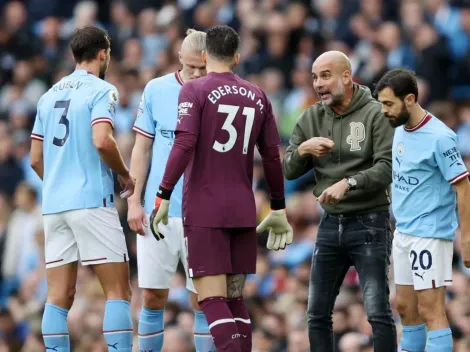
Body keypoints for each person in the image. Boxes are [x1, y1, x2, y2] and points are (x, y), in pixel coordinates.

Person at [148, 24, 293, 352]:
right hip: (243, 207)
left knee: (210, 298)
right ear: (237, 57)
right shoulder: (259, 95)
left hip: (204, 207)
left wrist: (163, 194)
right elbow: (271, 156)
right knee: (235, 300)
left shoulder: (194, 90)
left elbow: (184, 143)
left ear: (204, 55)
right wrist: (278, 206)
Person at [29, 25, 135, 352]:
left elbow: (35, 159)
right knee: (118, 291)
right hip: (92, 200)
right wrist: (125, 174)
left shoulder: (48, 96)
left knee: (59, 297)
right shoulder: (102, 90)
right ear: (103, 53)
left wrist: (61, 183)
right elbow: (102, 140)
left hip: (54, 205)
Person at [283, 51, 397, 352]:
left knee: (376, 311)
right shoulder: (311, 116)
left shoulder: (375, 113)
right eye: (314, 77)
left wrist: (349, 183)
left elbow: (387, 167)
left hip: (370, 220)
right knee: (316, 313)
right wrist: (304, 150)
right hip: (330, 223)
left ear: (346, 77)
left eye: (325, 75)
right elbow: (289, 169)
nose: (318, 83)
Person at [127, 29, 216, 352]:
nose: (196, 73)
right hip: (158, 210)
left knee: (204, 299)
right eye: (191, 66)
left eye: (202, 67)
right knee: (151, 295)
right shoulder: (156, 90)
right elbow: (142, 149)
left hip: (204, 213)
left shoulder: (221, 95)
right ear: (179, 59)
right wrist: (134, 200)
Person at [375, 68, 470, 352]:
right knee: (405, 307)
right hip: (403, 232)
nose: (384, 111)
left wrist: (466, 238)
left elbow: (463, 188)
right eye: (381, 104)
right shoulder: (399, 130)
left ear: (410, 99)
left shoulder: (440, 137)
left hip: (430, 233)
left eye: (389, 104)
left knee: (431, 310)